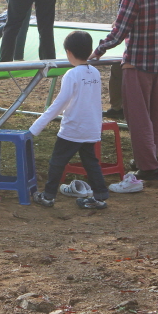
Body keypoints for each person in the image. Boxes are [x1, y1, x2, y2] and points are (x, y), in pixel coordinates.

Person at [89, 0, 158, 182]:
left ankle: (148, 167)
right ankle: (148, 158)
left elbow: (119, 31)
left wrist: (99, 50)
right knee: (154, 116)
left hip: (137, 62)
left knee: (138, 118)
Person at [29, 31, 109, 210]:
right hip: (91, 128)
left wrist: (36, 127)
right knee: (91, 162)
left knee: (57, 162)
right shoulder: (95, 73)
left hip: (73, 129)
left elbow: (60, 103)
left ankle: (48, 196)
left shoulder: (71, 74)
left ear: (68, 52)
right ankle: (100, 196)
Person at [102, 0, 135, 120]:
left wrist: (100, 49)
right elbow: (122, 11)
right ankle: (117, 107)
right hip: (125, 45)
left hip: (140, 50)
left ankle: (133, 109)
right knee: (116, 70)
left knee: (133, 77)